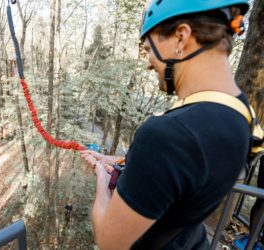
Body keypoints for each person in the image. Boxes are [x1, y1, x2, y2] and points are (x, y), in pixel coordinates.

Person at [81, 0, 251, 249]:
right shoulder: (240, 113)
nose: (150, 62)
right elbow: (186, 173)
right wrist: (126, 162)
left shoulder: (167, 134)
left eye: (149, 49)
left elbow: (109, 241)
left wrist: (101, 179)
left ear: (181, 37)